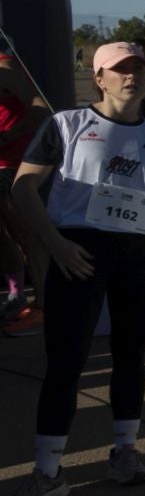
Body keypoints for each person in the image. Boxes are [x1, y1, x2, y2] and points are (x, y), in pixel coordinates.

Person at [1, 42, 145, 496]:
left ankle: (125, 453)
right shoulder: (66, 125)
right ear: (99, 78)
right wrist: (55, 245)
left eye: (138, 69)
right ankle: (47, 473)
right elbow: (23, 186)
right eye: (120, 70)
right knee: (66, 362)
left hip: (139, 255)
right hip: (79, 253)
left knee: (131, 355)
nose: (132, 76)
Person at [0, 39, 51, 335]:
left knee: (27, 235)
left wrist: (7, 136)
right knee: (2, 236)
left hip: (10, 166)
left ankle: (43, 308)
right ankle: (16, 295)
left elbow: (41, 110)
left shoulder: (5, 66)